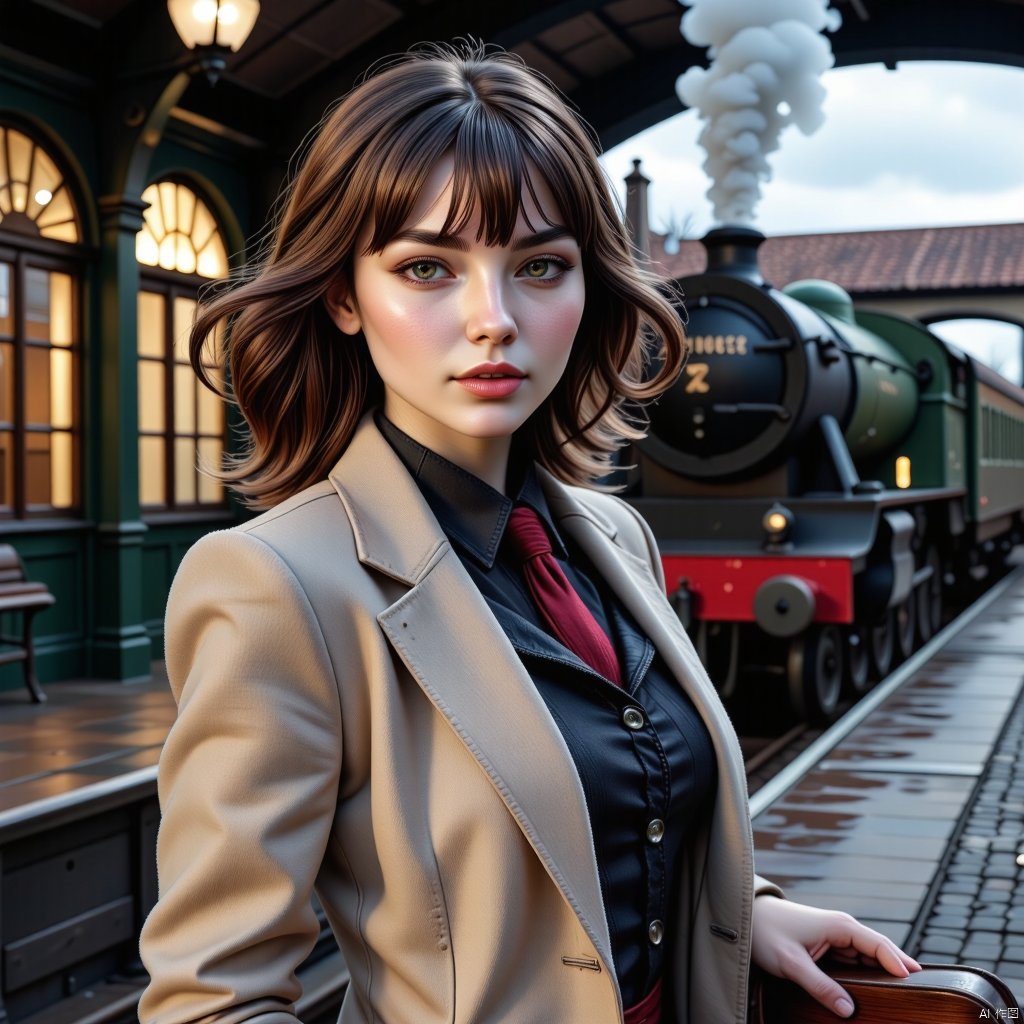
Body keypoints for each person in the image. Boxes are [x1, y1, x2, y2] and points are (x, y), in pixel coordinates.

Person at [138, 40, 918, 1024]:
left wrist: (740, 911)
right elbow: (209, 1002)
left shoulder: (611, 535)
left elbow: (607, 818)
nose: (493, 318)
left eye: (540, 267)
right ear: (343, 295)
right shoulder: (274, 584)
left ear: (589, 288)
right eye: (427, 267)